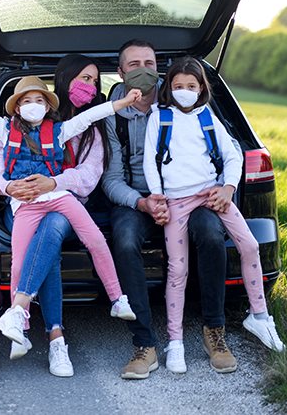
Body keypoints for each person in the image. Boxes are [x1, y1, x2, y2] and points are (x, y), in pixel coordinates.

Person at [0, 71, 141, 352]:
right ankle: (20, 325)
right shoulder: (4, 130)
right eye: (27, 100)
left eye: (40, 100)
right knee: (19, 262)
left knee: (96, 239)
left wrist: (122, 103)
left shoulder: (61, 130)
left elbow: (90, 117)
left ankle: (117, 298)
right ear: (17, 107)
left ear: (48, 106)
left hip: (59, 197)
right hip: (26, 206)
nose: (34, 105)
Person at [102, 40, 240, 379]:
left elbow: (227, 146)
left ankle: (214, 332)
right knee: (124, 239)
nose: (144, 69)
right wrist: (143, 202)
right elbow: (111, 178)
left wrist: (225, 187)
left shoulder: (185, 94)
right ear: (120, 73)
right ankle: (145, 345)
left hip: (190, 196)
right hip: (137, 198)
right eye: (133, 64)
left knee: (210, 232)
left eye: (150, 62)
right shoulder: (114, 114)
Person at [144, 56, 285, 373]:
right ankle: (175, 342)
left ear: (201, 88)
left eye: (190, 86)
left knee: (250, 246)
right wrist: (158, 196)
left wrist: (228, 189)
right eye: (178, 86)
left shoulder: (207, 117)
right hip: (177, 202)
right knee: (177, 271)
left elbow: (233, 156)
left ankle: (259, 316)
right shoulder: (160, 117)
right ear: (168, 88)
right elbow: (150, 163)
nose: (183, 91)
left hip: (212, 195)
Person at [0, 54, 115, 377]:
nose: (90, 86)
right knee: (48, 245)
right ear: (65, 80)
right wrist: (8, 186)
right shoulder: (22, 128)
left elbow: (88, 177)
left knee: (54, 226)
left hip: (67, 205)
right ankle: (56, 337)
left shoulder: (90, 131)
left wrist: (54, 182)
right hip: (25, 204)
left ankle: (24, 315)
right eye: (84, 78)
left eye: (95, 81)